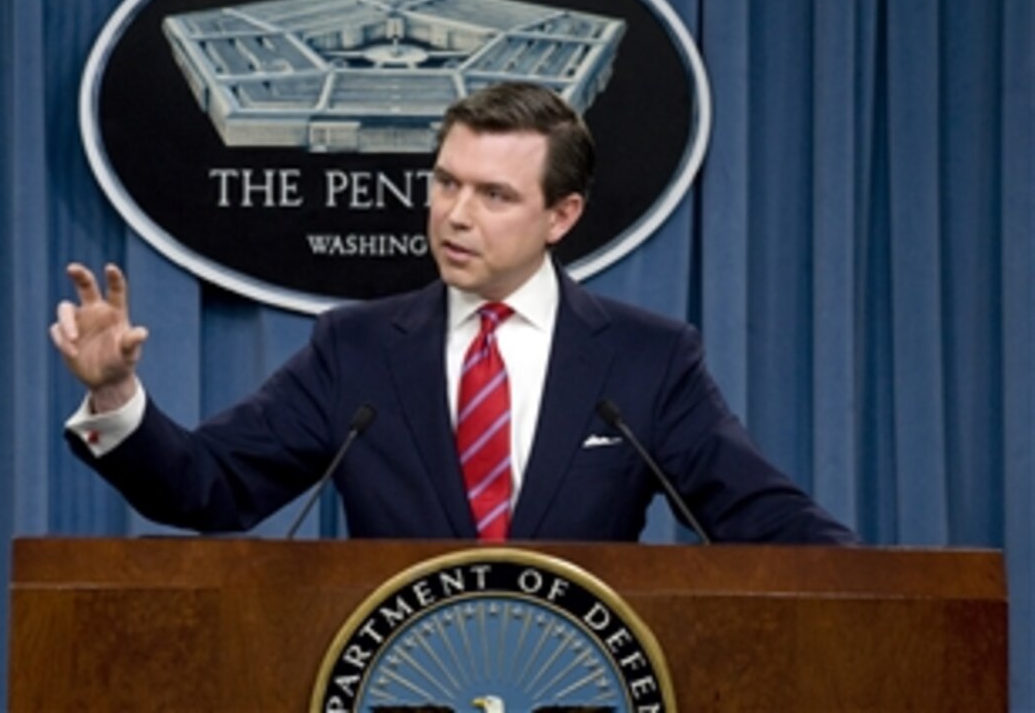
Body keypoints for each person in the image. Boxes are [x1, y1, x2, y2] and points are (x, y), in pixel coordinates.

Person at [50, 82, 856, 544]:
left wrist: (893, 587)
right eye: (445, 182)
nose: (454, 215)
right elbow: (207, 487)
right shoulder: (355, 347)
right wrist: (116, 398)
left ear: (562, 215)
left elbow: (763, 519)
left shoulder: (647, 359)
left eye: (494, 194)